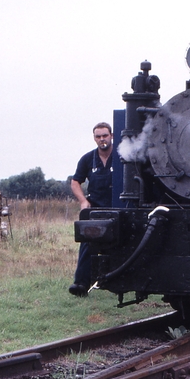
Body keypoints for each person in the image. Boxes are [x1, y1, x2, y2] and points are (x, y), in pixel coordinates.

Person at [68, 122, 116, 296]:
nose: (102, 139)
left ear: (112, 136)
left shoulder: (122, 156)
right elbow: (75, 182)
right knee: (88, 243)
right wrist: (83, 200)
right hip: (95, 208)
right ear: (94, 138)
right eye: (98, 136)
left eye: (105, 135)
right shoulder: (88, 159)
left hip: (119, 208)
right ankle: (80, 285)